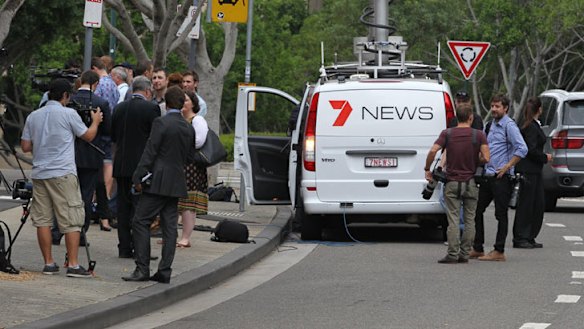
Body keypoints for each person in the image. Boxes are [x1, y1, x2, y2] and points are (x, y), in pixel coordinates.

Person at [21, 78, 103, 277]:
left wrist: (42, 142)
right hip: (63, 173)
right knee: (72, 219)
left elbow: (25, 146)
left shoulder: (34, 116)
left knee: (42, 220)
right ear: (66, 95)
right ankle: (73, 264)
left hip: (40, 173)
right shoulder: (69, 114)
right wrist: (96, 121)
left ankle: (49, 263)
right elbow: (88, 136)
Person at [122, 86, 195, 284]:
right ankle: (165, 270)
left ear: (167, 103)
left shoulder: (161, 123)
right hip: (176, 180)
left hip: (158, 181)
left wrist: (137, 176)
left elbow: (150, 151)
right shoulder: (188, 127)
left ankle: (142, 268)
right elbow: (190, 157)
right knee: (170, 226)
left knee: (140, 221)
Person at [425, 104, 490, 263]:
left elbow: (433, 151)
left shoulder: (447, 134)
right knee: (470, 219)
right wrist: (474, 158)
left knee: (453, 219)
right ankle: (465, 254)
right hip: (470, 182)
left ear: (456, 118)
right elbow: (486, 158)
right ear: (471, 117)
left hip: (452, 182)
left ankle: (452, 254)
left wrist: (428, 168)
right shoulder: (479, 135)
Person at [471, 94, 528, 261]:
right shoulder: (489, 125)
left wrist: (507, 166)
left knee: (500, 214)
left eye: (498, 106)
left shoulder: (509, 126)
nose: (494, 109)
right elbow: (484, 147)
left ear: (505, 108)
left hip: (501, 177)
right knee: (477, 210)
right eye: (493, 106)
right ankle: (478, 247)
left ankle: (499, 250)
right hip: (488, 175)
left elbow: (522, 149)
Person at [111, 76, 161, 258]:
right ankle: (141, 250)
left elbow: (114, 136)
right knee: (141, 210)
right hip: (141, 167)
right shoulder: (151, 108)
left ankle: (124, 247)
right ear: (147, 91)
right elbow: (155, 138)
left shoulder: (119, 108)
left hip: (121, 165)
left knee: (123, 209)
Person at [72, 70, 112, 234]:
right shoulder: (101, 103)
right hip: (92, 153)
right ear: (96, 84)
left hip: (70, 153)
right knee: (86, 195)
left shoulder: (71, 100)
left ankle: (58, 231)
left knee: (68, 195)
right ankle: (81, 232)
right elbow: (108, 130)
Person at [512, 97, 552, 249]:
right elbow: (530, 149)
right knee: (526, 204)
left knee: (537, 204)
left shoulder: (533, 125)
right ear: (539, 109)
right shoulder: (529, 127)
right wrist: (545, 157)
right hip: (528, 170)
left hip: (535, 171)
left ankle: (529, 235)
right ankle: (521, 237)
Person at [177, 90, 209, 248]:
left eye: (186, 100)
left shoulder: (198, 120)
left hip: (192, 167)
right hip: (179, 164)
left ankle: (186, 237)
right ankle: (174, 234)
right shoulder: (179, 119)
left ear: (194, 103)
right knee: (177, 203)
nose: (183, 103)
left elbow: (198, 141)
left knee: (188, 203)